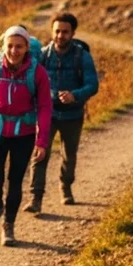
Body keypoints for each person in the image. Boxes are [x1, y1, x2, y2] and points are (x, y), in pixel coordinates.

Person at [0, 25, 52, 247]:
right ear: (3, 45)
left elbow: (45, 107)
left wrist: (42, 140)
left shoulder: (37, 73)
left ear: (27, 47)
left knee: (15, 182)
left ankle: (8, 226)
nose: (14, 50)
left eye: (19, 46)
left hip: (24, 134)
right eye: (10, 45)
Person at [29, 12, 99, 212]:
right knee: (40, 154)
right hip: (46, 115)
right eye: (57, 31)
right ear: (52, 31)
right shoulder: (42, 55)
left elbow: (93, 85)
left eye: (65, 32)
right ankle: (36, 199)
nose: (60, 35)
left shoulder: (82, 56)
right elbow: (32, 83)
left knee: (69, 155)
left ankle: (65, 187)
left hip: (73, 115)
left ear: (73, 33)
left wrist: (75, 95)